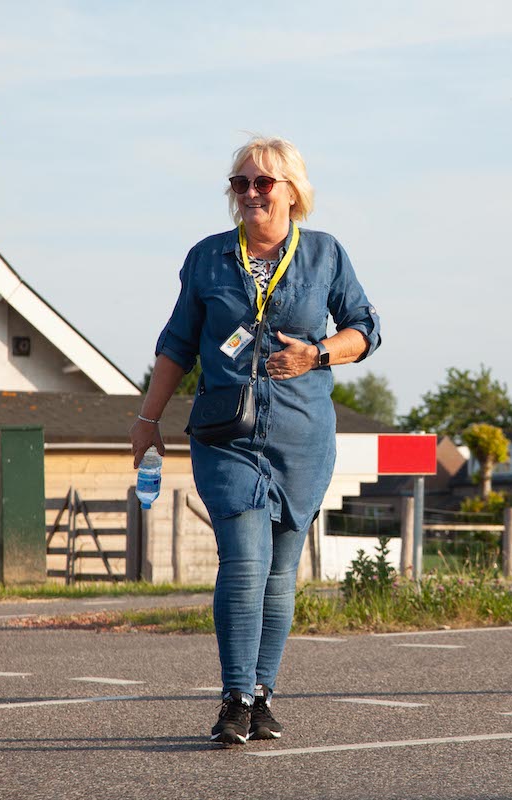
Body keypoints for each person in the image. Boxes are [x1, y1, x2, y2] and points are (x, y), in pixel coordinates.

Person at [131, 136, 382, 743]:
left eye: (263, 182)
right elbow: (177, 344)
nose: (250, 193)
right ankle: (235, 695)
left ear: (292, 191)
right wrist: (147, 419)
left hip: (302, 437)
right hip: (227, 435)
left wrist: (318, 353)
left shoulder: (325, 254)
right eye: (240, 182)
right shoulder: (208, 258)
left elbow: (365, 329)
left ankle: (263, 693)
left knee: (280, 574)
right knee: (245, 563)